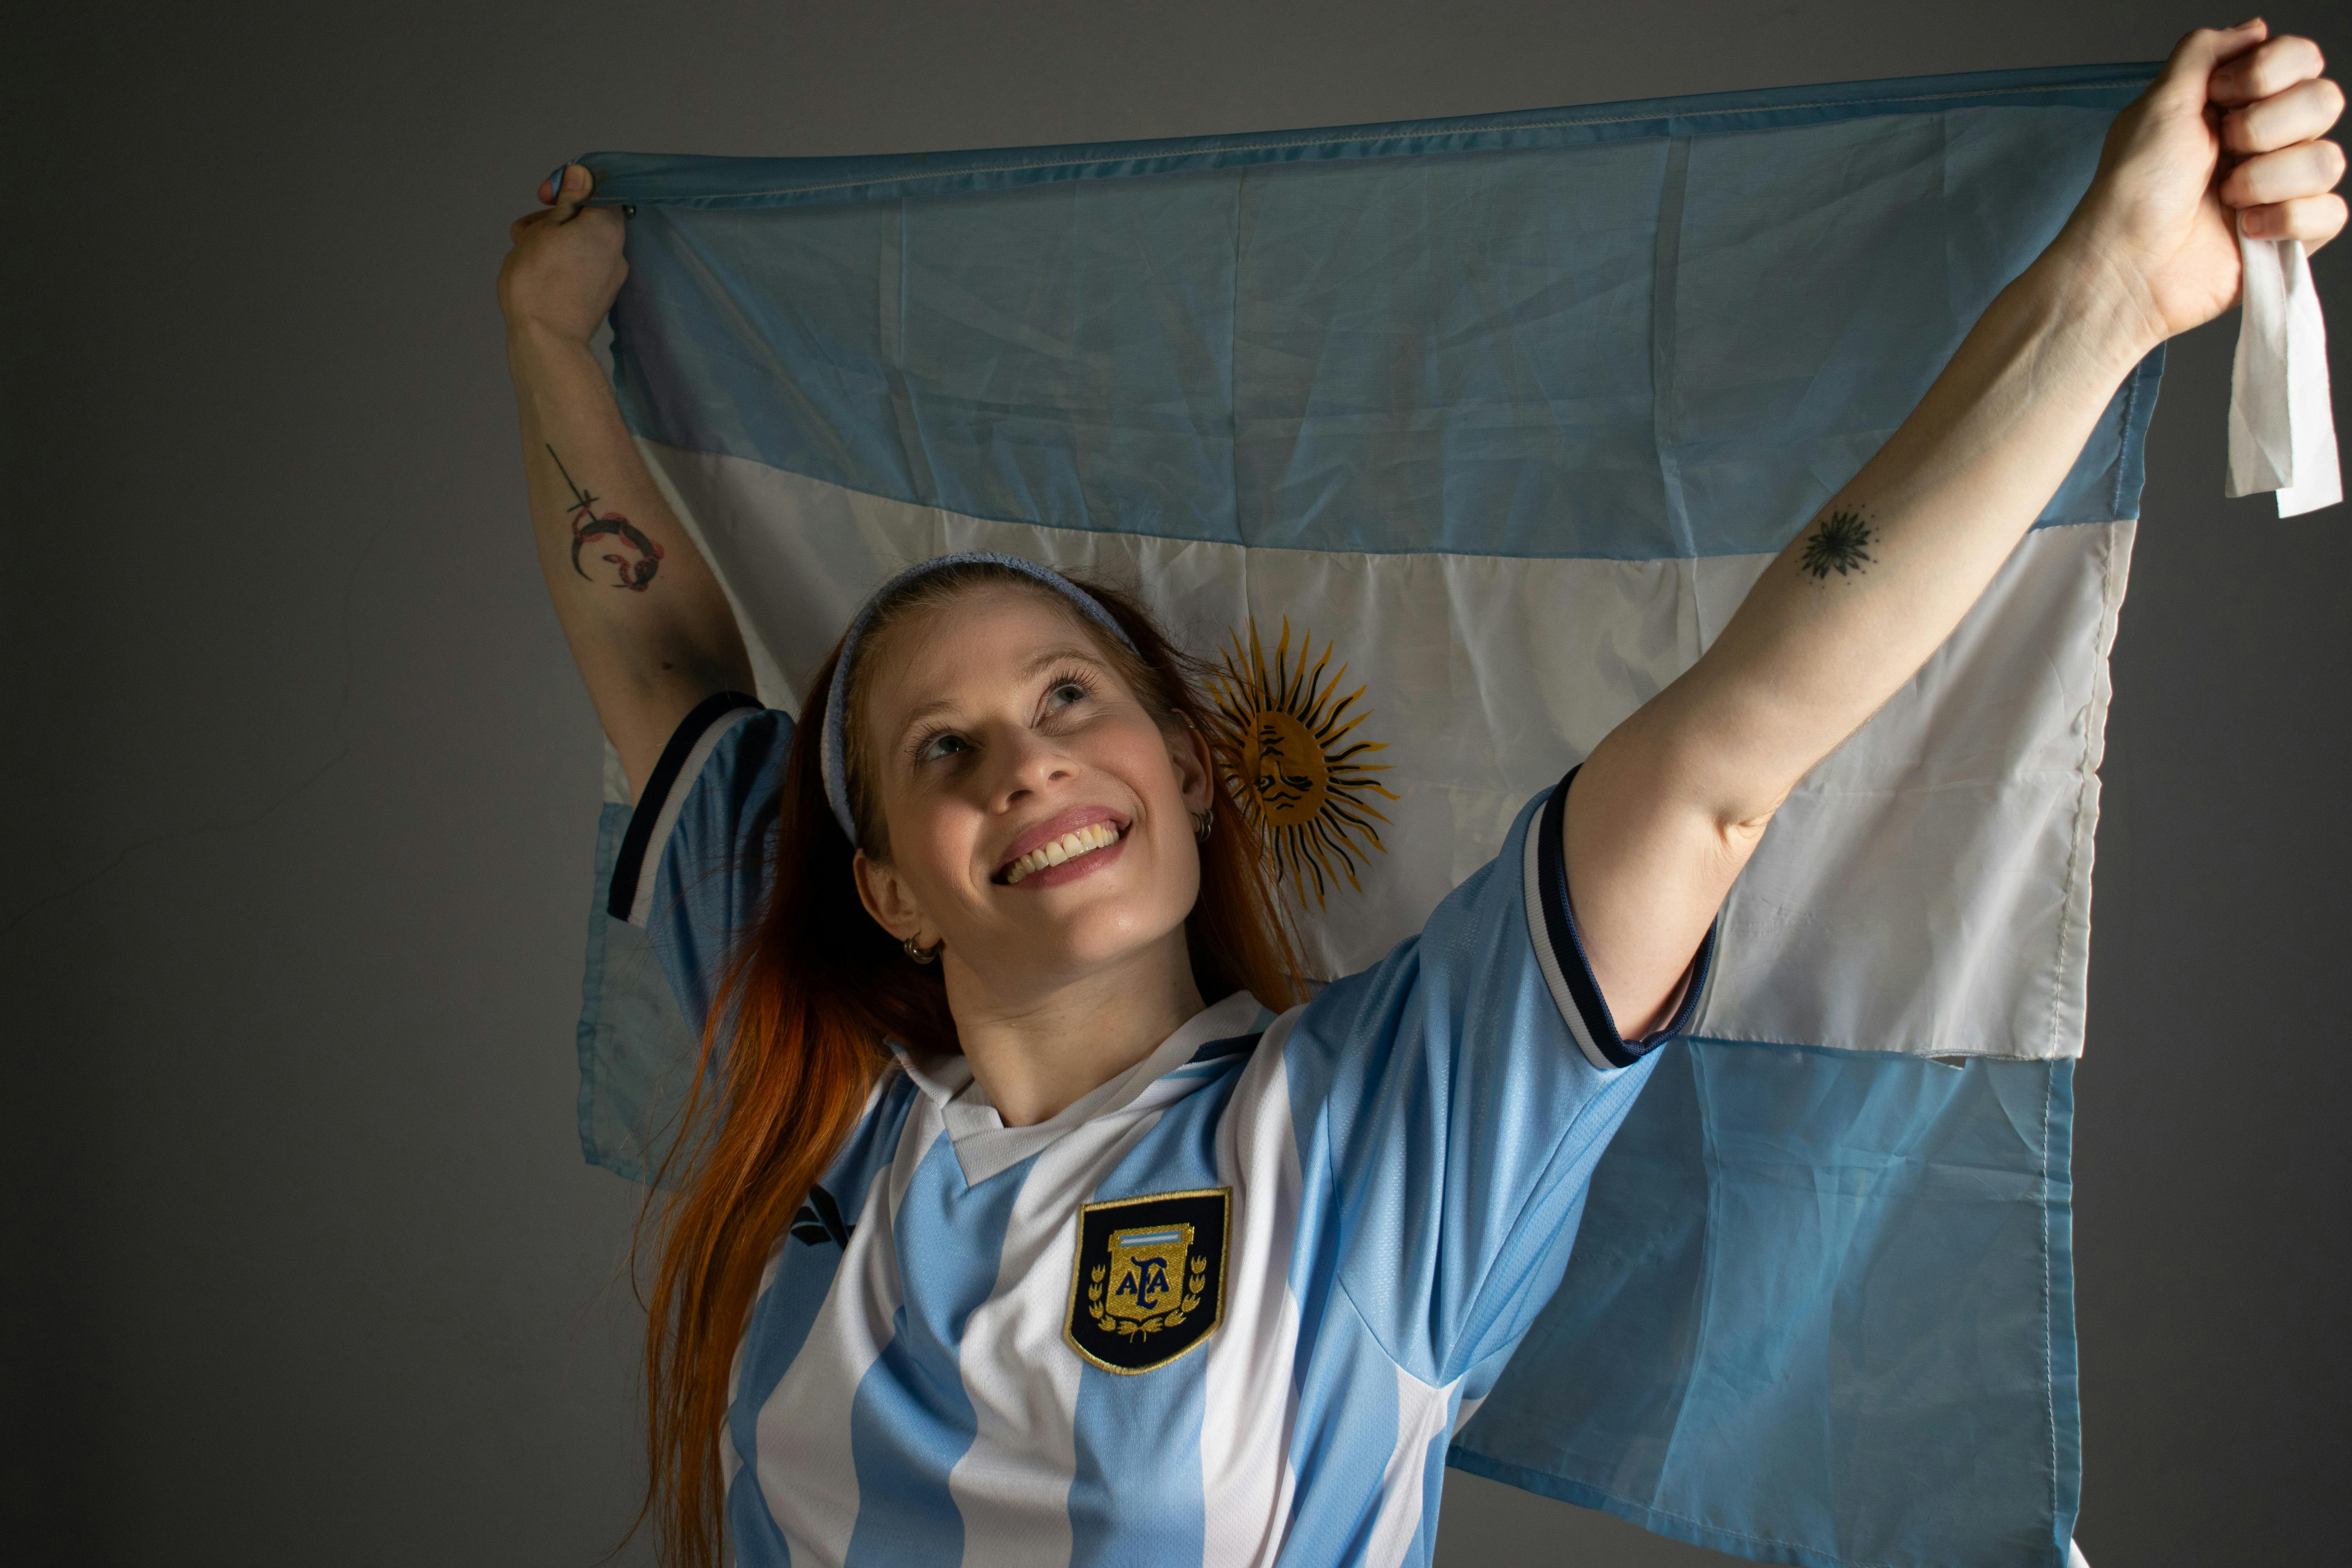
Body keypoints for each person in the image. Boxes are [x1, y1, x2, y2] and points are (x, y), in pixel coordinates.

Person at [497, 23, 2343, 1568]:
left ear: (1192, 772)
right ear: (894, 885)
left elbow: (1725, 761)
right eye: (943, 749)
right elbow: (664, 671)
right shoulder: (816, 1102)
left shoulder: (1369, 1134)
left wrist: (2107, 297)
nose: (1029, 758)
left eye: (1071, 695)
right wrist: (551, 344)